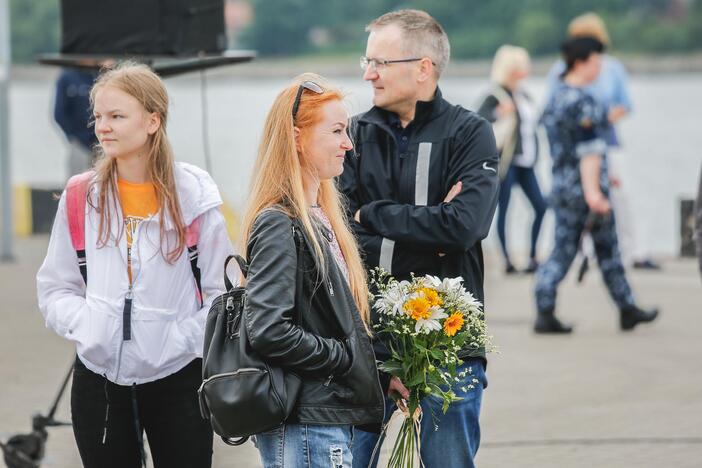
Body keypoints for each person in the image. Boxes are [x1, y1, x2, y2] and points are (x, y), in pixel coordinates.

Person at [37, 62, 233, 468]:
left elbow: (223, 293)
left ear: (152, 120)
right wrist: (90, 326)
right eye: (99, 116)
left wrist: (181, 340)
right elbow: (56, 286)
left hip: (179, 377)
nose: (102, 127)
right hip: (99, 378)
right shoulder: (81, 196)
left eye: (117, 116)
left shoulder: (194, 197)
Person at [340, 10, 499, 468]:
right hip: (365, 337)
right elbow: (336, 228)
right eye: (365, 61)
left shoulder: (470, 133)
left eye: (380, 63)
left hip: (450, 340)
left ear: (423, 67)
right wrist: (433, 219)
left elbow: (464, 227)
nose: (368, 74)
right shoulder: (351, 135)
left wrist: (371, 212)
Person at [240, 74, 384, 468]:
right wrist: (342, 358)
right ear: (296, 136)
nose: (348, 144)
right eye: (337, 131)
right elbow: (268, 328)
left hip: (325, 418)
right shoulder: (279, 222)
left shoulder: (320, 217)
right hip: (306, 422)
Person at [534, 37, 659, 334]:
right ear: (581, 62)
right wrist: (594, 191)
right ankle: (622, 308)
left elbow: (562, 146)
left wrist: (602, 177)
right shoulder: (583, 100)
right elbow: (588, 150)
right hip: (584, 191)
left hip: (563, 185)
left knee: (578, 249)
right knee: (596, 251)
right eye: (596, 61)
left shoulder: (555, 97)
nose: (600, 67)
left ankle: (551, 307)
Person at [546, 12, 661, 271]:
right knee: (575, 202)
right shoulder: (559, 71)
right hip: (574, 148)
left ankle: (634, 253)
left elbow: (625, 105)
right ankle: (578, 254)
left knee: (621, 197)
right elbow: (552, 111)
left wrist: (599, 119)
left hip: (609, 142)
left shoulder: (612, 68)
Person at [477, 45, 547, 274]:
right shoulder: (494, 96)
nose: (523, 73)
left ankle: (533, 257)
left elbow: (534, 125)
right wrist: (499, 113)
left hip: (527, 162)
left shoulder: (525, 95)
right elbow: (478, 123)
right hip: (506, 162)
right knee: (504, 209)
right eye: (518, 69)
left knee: (541, 205)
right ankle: (507, 260)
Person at [54, 68, 99, 176]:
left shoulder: (101, 74)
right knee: (76, 181)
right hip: (79, 143)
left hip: (102, 142)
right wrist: (73, 136)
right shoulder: (67, 77)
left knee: (103, 180)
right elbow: (59, 114)